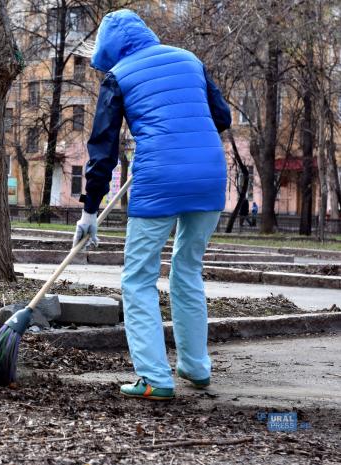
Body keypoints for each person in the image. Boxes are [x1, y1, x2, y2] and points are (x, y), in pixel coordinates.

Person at [73, 9, 231, 400]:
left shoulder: (119, 76)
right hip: (210, 175)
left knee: (139, 278)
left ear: (111, 48)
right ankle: (196, 367)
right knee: (188, 269)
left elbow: (103, 149)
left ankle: (154, 378)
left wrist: (90, 210)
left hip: (159, 179)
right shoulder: (189, 59)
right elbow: (222, 117)